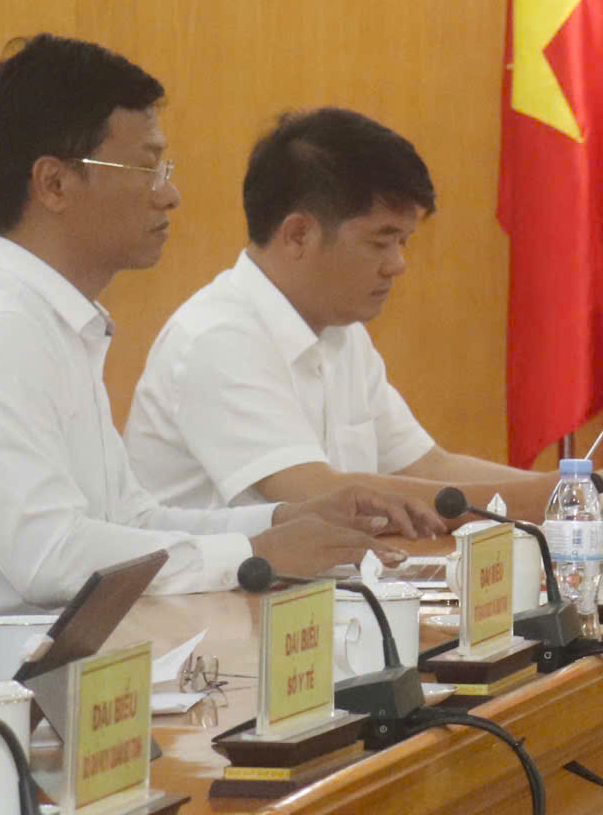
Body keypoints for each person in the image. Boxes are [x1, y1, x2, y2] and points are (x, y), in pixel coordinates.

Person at [0, 36, 421, 615]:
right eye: (147, 168)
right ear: (54, 184)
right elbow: (50, 556)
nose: (169, 194)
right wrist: (255, 553)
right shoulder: (0, 327)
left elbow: (132, 521)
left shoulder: (57, 324)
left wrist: (283, 521)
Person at [126, 108, 560, 519]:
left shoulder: (340, 330)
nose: (397, 264)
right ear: (298, 235)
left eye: (403, 242)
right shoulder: (218, 338)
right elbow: (320, 494)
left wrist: (575, 489)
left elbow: (428, 466)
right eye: (381, 242)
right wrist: (557, 498)